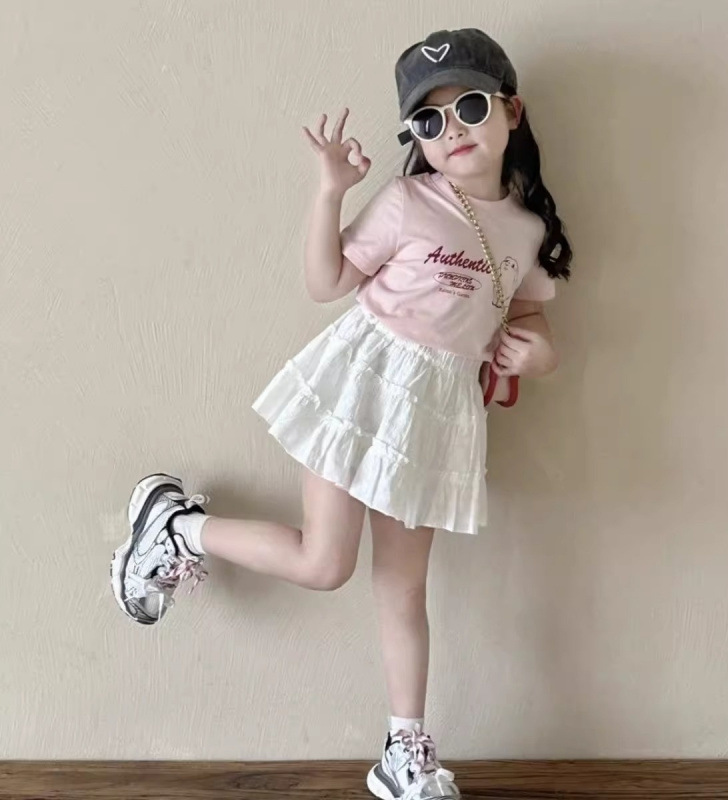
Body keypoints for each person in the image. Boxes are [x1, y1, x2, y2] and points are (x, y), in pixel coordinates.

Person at [110, 27, 572, 800]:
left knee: (404, 588)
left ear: (511, 111)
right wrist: (329, 191)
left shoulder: (525, 232)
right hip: (363, 385)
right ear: (415, 138)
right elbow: (326, 282)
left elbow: (532, 321)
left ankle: (405, 752)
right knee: (325, 565)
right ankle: (176, 528)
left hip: (437, 414)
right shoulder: (406, 201)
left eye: (468, 107)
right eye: (428, 121)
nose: (451, 130)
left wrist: (539, 357)